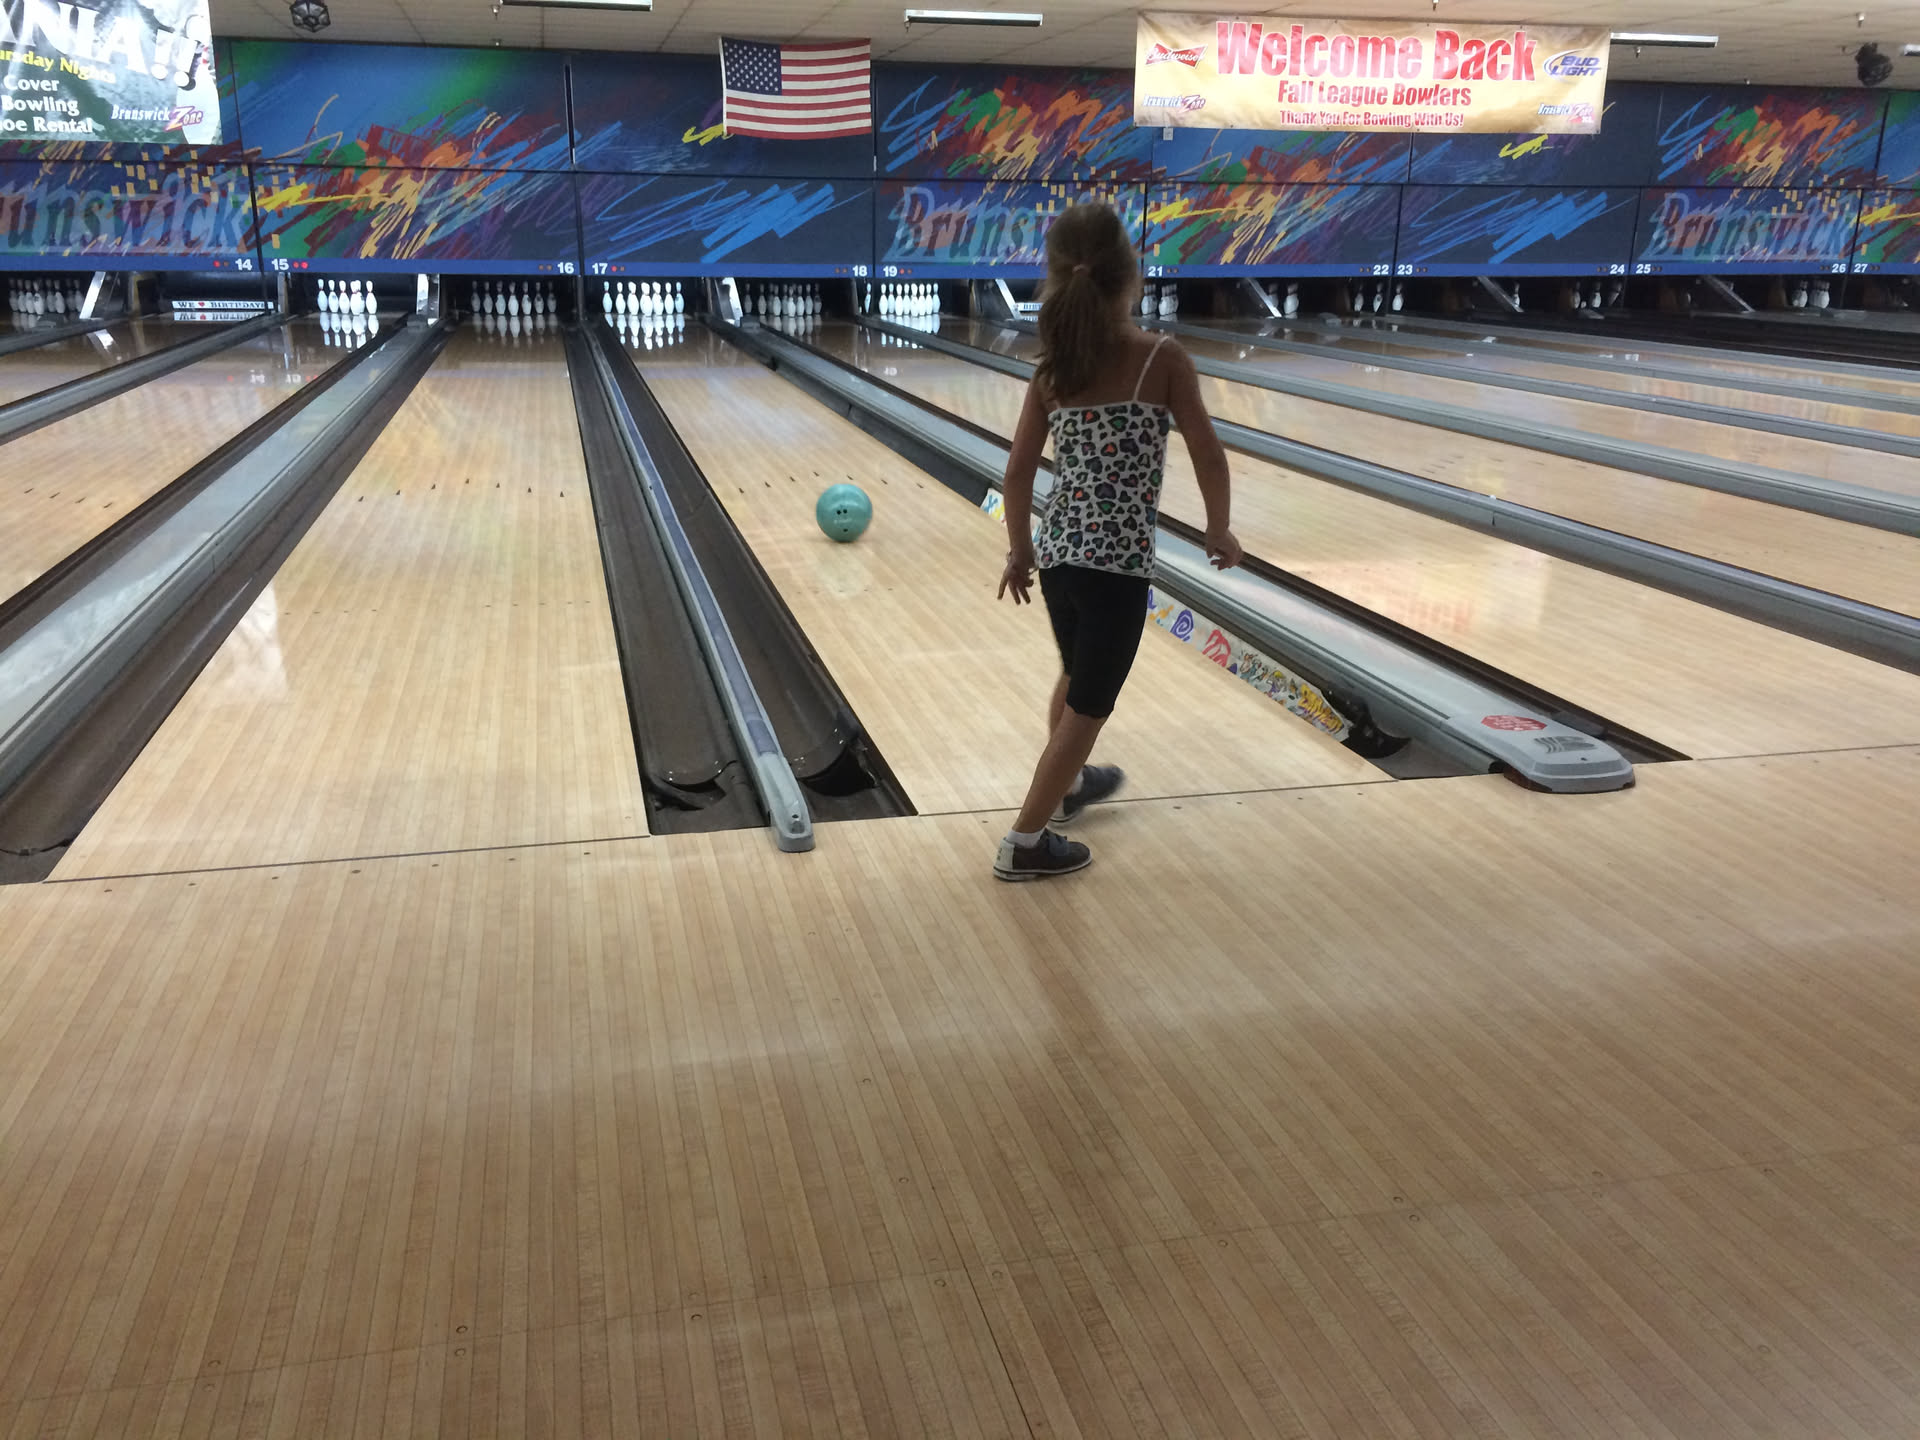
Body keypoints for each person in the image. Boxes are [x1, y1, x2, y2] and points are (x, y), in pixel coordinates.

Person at [993, 202, 1243, 881]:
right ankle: (1024, 841)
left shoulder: (1051, 370)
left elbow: (1017, 473)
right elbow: (1208, 451)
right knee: (1090, 708)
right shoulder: (1161, 357)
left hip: (1059, 557)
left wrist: (1020, 551)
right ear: (1131, 277)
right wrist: (1218, 526)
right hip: (1117, 568)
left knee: (1076, 676)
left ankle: (1068, 789)